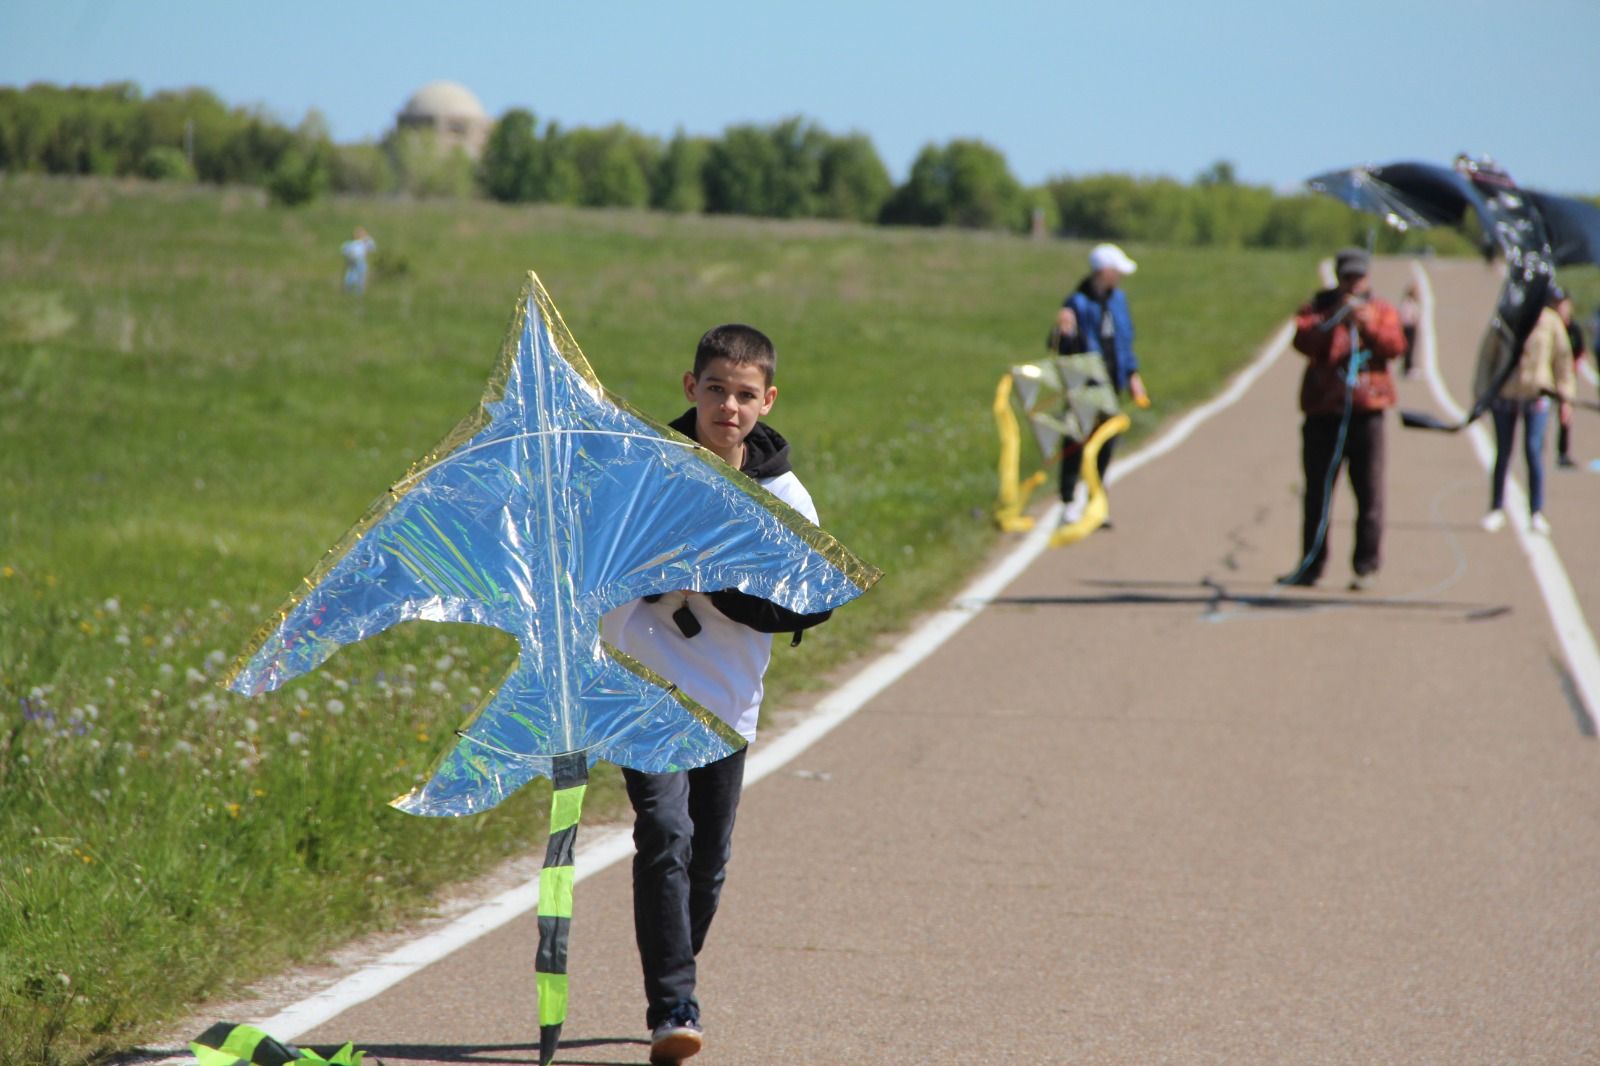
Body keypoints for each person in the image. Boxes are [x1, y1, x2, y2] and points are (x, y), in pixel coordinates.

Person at [601, 324, 834, 1065]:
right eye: (714, 390)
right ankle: (672, 1004)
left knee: (709, 857)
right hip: (643, 681)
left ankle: (676, 959)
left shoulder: (784, 493)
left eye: (743, 395)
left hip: (727, 695)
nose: (727, 407)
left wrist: (715, 580)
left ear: (766, 401)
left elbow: (808, 601)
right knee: (664, 832)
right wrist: (651, 573)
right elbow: (597, 563)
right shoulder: (649, 472)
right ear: (689, 389)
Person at [1285, 248, 1407, 590]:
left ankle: (1366, 566)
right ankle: (1311, 564)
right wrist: (1335, 319)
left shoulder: (1381, 310)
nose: (1353, 284)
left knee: (1369, 493)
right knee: (1317, 494)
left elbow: (1396, 346)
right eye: (1347, 277)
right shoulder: (1319, 308)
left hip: (1367, 413)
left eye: (1358, 276)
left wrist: (1366, 323)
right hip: (1323, 412)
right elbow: (1303, 341)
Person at [1048, 242, 1149, 526]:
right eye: (1117, 271)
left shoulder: (1118, 301)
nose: (1120, 277)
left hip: (1111, 382)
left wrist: (1132, 376)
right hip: (1085, 384)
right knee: (1077, 441)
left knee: (1106, 443)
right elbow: (1059, 345)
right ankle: (1069, 501)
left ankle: (1096, 500)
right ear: (1104, 271)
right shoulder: (1077, 302)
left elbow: (1124, 342)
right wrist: (1063, 329)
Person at [1476, 284, 1575, 533]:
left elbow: (1563, 362)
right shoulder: (1505, 318)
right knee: (1503, 452)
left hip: (1536, 395)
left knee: (1533, 451)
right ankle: (1496, 507)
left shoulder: (1550, 323)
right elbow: (1487, 357)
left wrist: (1566, 399)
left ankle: (1536, 511)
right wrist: (1482, 396)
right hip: (1506, 394)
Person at [1555, 291, 1587, 468]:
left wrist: (1575, 366)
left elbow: (1581, 351)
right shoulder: (1551, 326)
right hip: (1550, 376)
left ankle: (1562, 452)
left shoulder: (1573, 329)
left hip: (1567, 376)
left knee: (1565, 414)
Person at [341, 226, 376, 294]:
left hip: (359, 261)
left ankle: (358, 291)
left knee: (360, 276)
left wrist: (367, 239)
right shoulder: (351, 243)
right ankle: (349, 290)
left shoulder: (364, 242)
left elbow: (372, 247)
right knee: (351, 275)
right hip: (353, 261)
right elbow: (344, 250)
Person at [1398, 283, 1422, 378]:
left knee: (1410, 348)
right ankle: (1408, 368)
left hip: (1408, 327)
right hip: (1409, 328)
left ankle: (1408, 367)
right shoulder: (1408, 303)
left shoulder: (1408, 302)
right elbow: (1407, 317)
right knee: (1409, 348)